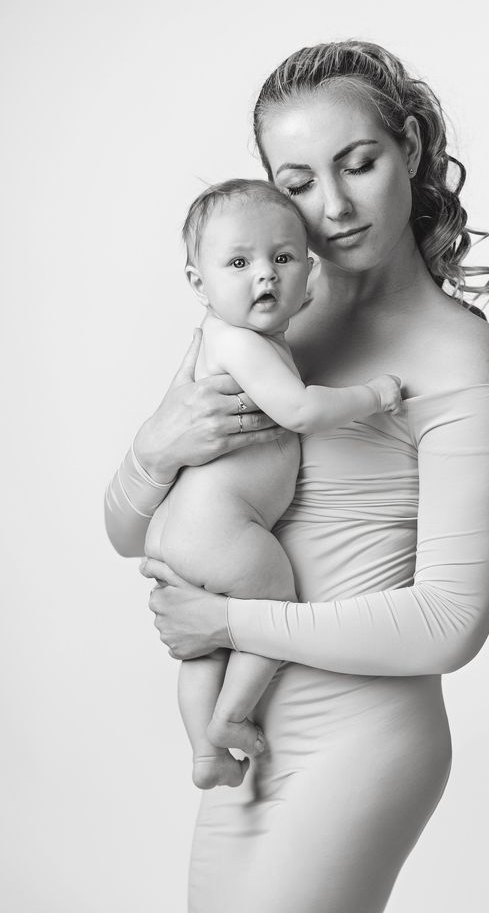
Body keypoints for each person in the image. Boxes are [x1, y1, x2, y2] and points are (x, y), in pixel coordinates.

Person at [105, 40, 489, 913]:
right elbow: (129, 531)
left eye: (358, 163)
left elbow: (450, 625)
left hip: (362, 742)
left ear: (409, 146)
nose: (332, 206)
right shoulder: (263, 315)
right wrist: (154, 447)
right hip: (246, 739)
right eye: (297, 182)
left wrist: (227, 619)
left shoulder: (460, 357)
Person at [146, 177, 402, 791]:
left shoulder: (236, 337)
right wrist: (374, 394)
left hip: (181, 529)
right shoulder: (240, 344)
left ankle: (205, 754)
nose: (264, 274)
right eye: (238, 263)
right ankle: (231, 719)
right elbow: (301, 410)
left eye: (282, 258)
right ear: (198, 283)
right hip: (223, 530)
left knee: (205, 649)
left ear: (309, 273)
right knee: (273, 609)